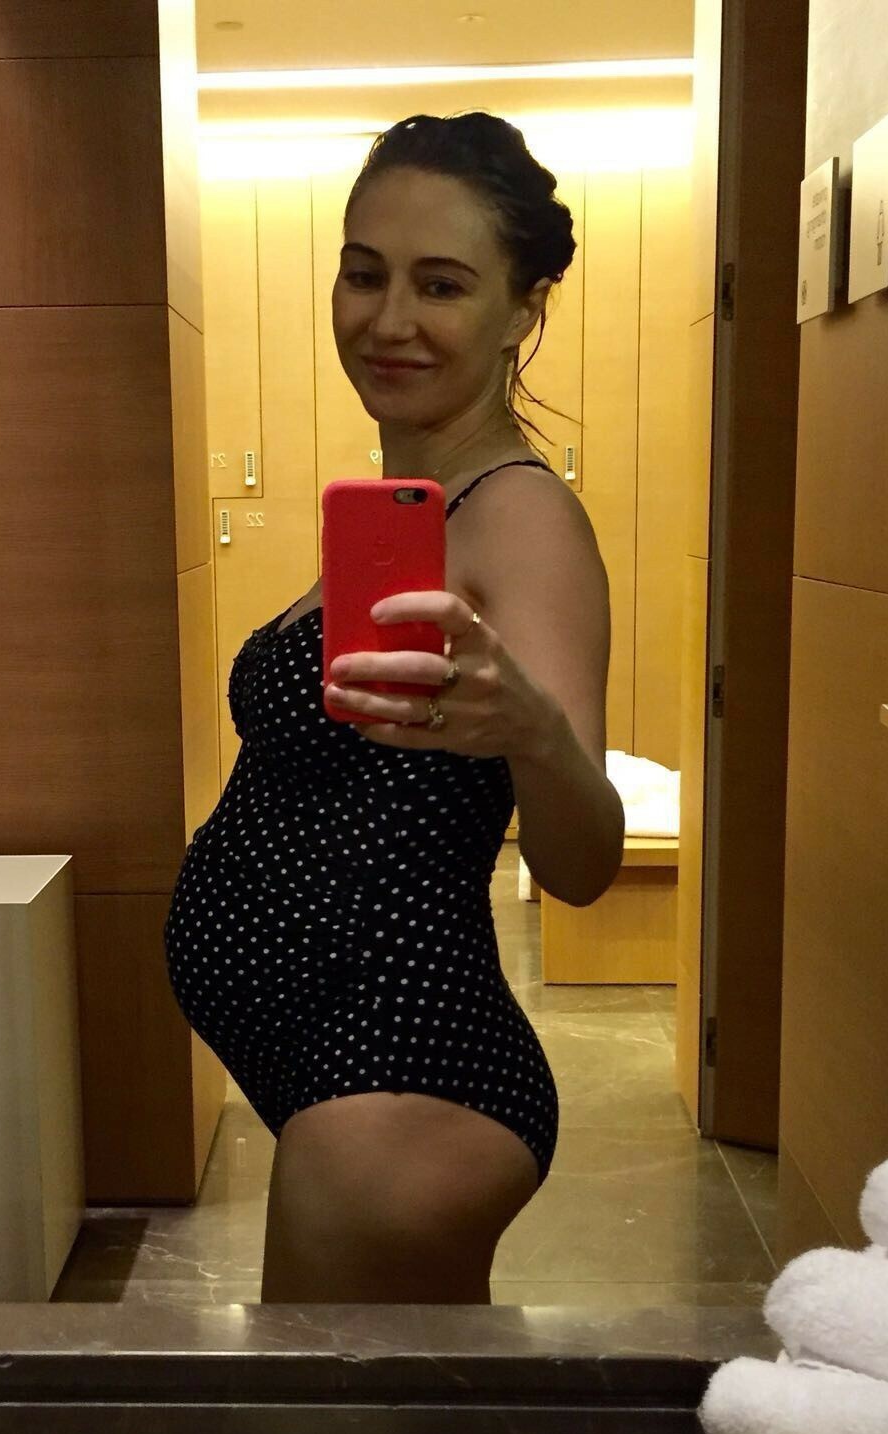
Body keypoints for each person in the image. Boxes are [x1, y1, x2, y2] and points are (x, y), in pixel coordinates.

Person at [163, 112, 626, 1305]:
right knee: (393, 1412)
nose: (389, 318)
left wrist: (534, 733)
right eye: (364, 273)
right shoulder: (415, 505)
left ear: (521, 310)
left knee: (328, 1419)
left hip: (404, 1074)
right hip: (342, 1073)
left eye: (442, 284)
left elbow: (583, 864)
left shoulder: (519, 517)